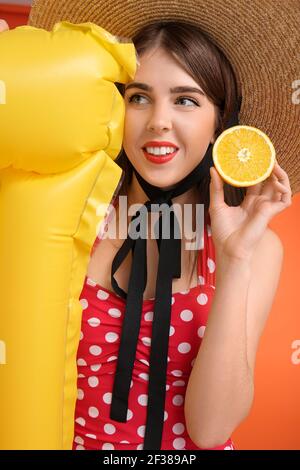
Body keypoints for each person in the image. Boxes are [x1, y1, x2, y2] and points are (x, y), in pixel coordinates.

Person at [5, 0, 299, 451]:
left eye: (186, 100)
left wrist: (235, 258)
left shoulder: (255, 248)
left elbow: (211, 428)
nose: (158, 122)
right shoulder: (69, 219)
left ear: (221, 118)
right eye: (138, 97)